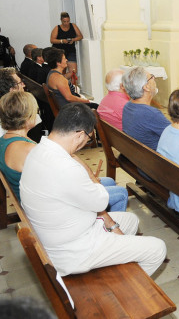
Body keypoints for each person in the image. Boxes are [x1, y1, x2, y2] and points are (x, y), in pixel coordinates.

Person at [20, 103, 166, 276]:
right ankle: (126, 291)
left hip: (60, 234)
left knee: (131, 220)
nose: (85, 143)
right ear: (80, 134)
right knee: (157, 248)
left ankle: (120, 273)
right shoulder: (65, 166)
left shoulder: (37, 152)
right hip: (75, 250)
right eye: (89, 138)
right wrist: (92, 179)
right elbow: (101, 201)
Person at [0, 92, 38, 200]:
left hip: (27, 202)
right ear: (27, 117)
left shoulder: (4, 140)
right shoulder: (26, 149)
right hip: (36, 208)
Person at [122, 66, 170, 150]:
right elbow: (175, 135)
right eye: (151, 77)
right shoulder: (150, 114)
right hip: (155, 160)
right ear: (146, 87)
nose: (154, 78)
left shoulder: (128, 106)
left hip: (138, 155)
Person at [50, 12, 83, 76]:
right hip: (59, 52)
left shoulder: (73, 26)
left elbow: (80, 36)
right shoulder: (57, 28)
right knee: (62, 70)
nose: (66, 23)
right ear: (61, 20)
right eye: (64, 21)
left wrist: (73, 40)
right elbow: (52, 40)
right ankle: (61, 82)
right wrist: (62, 41)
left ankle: (64, 81)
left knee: (73, 71)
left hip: (70, 50)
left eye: (68, 21)